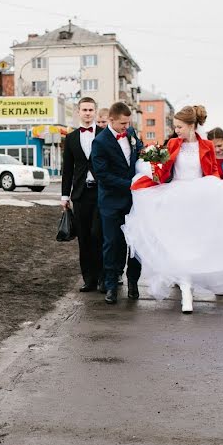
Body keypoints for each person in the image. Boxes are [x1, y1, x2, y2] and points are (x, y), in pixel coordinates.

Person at [122, 105, 223, 313]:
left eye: (180, 127)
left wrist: (219, 189)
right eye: (175, 127)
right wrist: (155, 165)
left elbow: (214, 172)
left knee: (197, 243)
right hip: (177, 197)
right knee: (179, 243)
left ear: (191, 126)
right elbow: (164, 172)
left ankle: (195, 284)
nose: (177, 130)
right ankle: (185, 291)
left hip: (200, 197)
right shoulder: (173, 143)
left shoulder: (207, 145)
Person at [90, 101, 143, 304]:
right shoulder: (100, 142)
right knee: (112, 243)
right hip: (111, 202)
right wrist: (130, 184)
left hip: (134, 202)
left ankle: (133, 282)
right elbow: (102, 175)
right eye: (122, 123)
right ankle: (111, 285)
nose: (126, 126)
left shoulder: (130, 134)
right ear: (111, 120)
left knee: (135, 244)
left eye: (128, 123)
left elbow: (139, 154)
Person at [61, 97, 104, 293]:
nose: (87, 113)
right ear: (78, 112)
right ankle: (89, 279)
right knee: (84, 238)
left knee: (99, 235)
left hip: (101, 192)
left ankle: (104, 278)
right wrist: (64, 196)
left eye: (90, 110)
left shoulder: (105, 135)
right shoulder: (70, 138)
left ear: (95, 112)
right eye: (84, 110)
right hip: (80, 194)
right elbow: (67, 169)